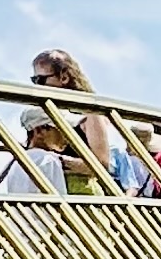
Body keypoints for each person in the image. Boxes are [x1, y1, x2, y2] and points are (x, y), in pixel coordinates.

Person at [28, 49, 117, 186]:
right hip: (52, 189)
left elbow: (101, 164)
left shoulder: (90, 111)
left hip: (82, 196)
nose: (37, 86)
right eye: (34, 80)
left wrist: (57, 161)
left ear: (64, 77)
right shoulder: (47, 112)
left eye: (41, 80)